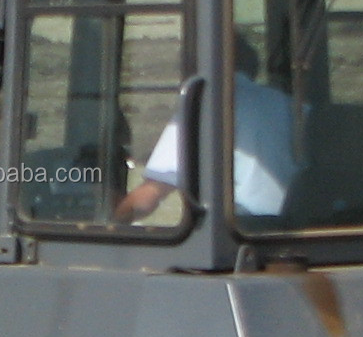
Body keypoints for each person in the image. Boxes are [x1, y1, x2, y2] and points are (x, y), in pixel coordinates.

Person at [116, 33, 296, 225]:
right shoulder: (293, 107)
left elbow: (149, 197)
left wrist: (112, 220)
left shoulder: (205, 106)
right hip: (292, 230)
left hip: (237, 232)